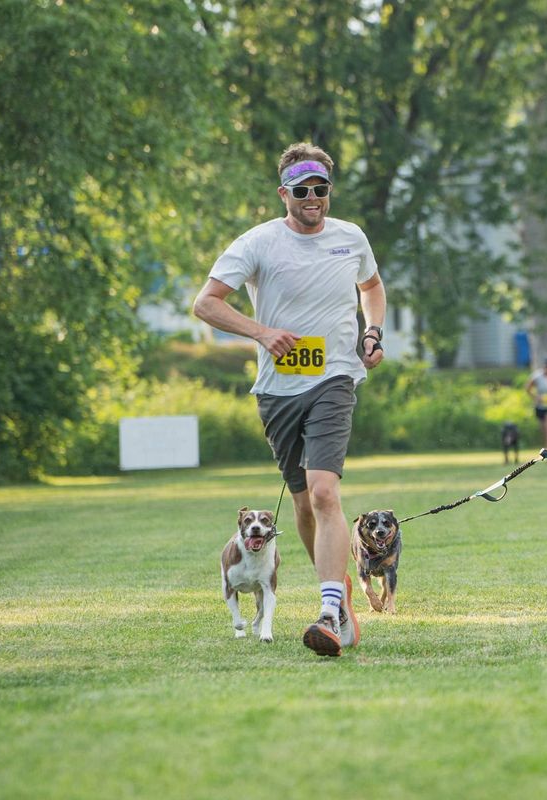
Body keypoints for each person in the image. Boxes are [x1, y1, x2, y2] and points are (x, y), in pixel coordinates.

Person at [193, 142, 386, 656]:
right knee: (303, 502)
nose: (313, 198)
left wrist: (373, 332)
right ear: (285, 193)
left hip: (335, 377)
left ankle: (327, 608)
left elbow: (372, 286)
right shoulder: (258, 243)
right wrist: (262, 332)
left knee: (325, 492)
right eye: (303, 190)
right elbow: (206, 304)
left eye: (321, 189)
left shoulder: (351, 237)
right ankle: (339, 590)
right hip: (278, 390)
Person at [526, 357, 547, 452]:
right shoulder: (537, 376)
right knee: (545, 431)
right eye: (546, 367)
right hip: (540, 407)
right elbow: (528, 388)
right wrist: (536, 397)